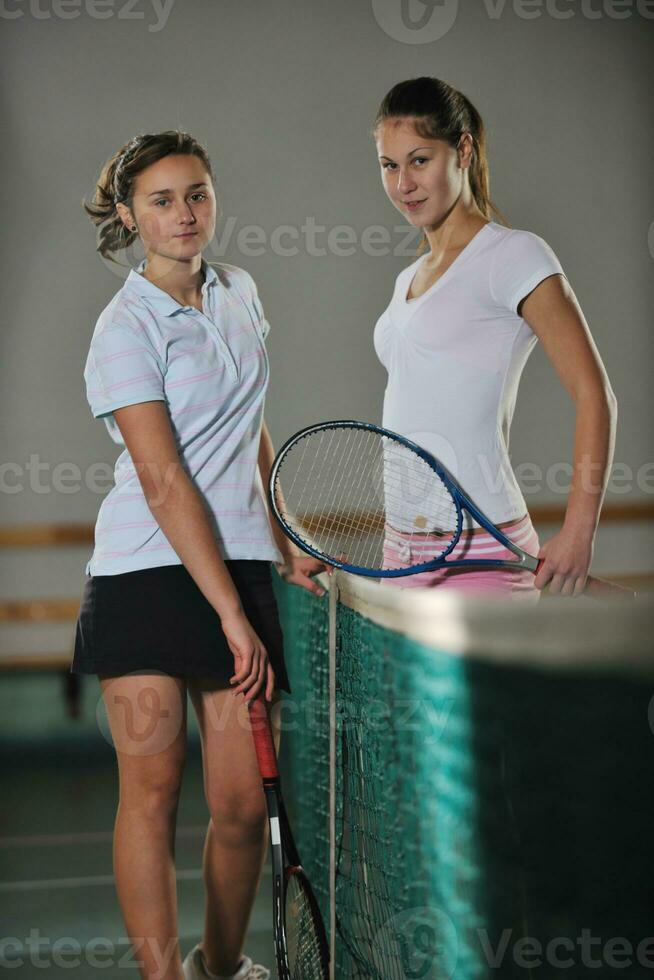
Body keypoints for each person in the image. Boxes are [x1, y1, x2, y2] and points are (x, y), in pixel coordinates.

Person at [72, 131, 324, 980]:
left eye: (197, 194)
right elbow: (163, 477)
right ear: (128, 214)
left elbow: (249, 425)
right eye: (162, 200)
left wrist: (288, 542)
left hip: (241, 567)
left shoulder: (239, 290)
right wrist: (227, 616)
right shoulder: (124, 326)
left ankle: (220, 967)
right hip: (145, 577)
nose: (185, 214)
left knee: (243, 808)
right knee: (151, 792)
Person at [372, 77, 617, 599]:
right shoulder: (406, 279)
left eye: (419, 160)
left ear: (462, 150)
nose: (403, 184)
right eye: (389, 166)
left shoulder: (515, 256)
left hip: (481, 554)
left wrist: (579, 532)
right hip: (400, 555)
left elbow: (596, 397)